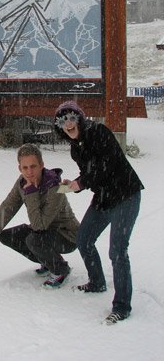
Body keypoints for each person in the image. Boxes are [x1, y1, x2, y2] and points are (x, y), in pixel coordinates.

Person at [54, 100, 144, 325]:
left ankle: (122, 306)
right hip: (104, 198)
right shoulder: (76, 148)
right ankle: (97, 282)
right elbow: (91, 175)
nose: (68, 123)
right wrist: (73, 184)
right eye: (62, 120)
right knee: (84, 239)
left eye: (72, 117)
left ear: (80, 118)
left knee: (117, 250)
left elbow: (107, 165)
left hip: (126, 194)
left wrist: (80, 183)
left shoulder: (98, 132)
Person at [0, 143, 79, 289]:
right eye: (25, 168)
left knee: (33, 240)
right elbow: (6, 209)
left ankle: (60, 270)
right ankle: (48, 261)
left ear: (42, 165)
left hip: (67, 236)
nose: (29, 172)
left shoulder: (55, 187)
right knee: (7, 236)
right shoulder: (21, 183)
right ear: (19, 168)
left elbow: (39, 226)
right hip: (44, 233)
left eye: (33, 166)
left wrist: (31, 193)